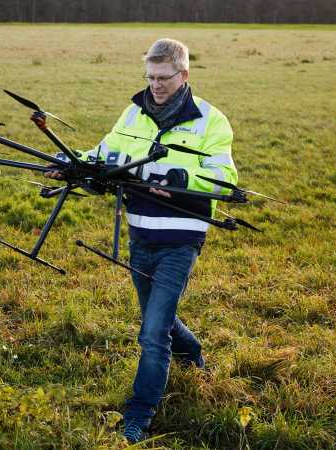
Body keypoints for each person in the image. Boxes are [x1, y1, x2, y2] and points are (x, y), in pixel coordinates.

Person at [47, 38, 237, 443]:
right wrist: (72, 163)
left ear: (183, 75)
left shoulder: (210, 120)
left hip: (180, 237)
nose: (156, 85)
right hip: (139, 232)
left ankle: (138, 415)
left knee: (151, 333)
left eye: (164, 78)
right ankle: (194, 352)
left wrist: (183, 183)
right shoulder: (133, 112)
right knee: (158, 316)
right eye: (150, 77)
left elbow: (225, 181)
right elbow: (105, 154)